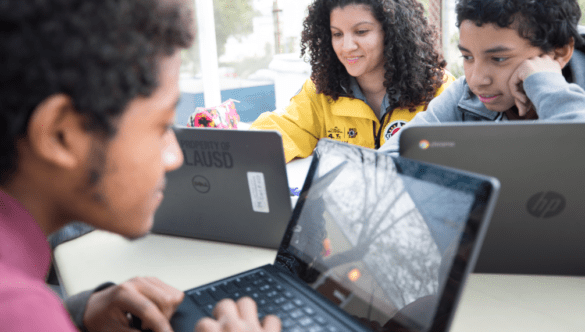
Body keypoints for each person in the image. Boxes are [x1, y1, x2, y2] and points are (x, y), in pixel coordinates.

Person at [0, 1, 276, 331]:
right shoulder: (20, 313)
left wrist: (76, 312)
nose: (176, 157)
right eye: (161, 127)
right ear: (61, 134)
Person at [250, 0, 455, 163]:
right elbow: (276, 134)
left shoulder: (439, 90)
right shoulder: (321, 91)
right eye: (337, 34)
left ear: (392, 31)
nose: (346, 46)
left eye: (361, 31)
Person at [379, 0, 585, 155]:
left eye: (499, 58)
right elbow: (388, 161)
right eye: (467, 57)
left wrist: (547, 86)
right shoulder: (464, 97)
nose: (476, 80)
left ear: (558, 53)